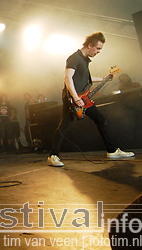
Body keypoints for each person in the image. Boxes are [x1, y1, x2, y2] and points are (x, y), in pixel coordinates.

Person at [47, 31, 134, 167]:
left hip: (84, 98)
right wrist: (75, 98)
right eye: (98, 48)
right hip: (73, 99)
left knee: (101, 119)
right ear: (89, 45)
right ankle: (53, 155)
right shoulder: (75, 58)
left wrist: (105, 79)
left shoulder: (85, 60)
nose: (98, 52)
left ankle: (112, 151)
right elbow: (68, 77)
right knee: (64, 126)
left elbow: (86, 79)